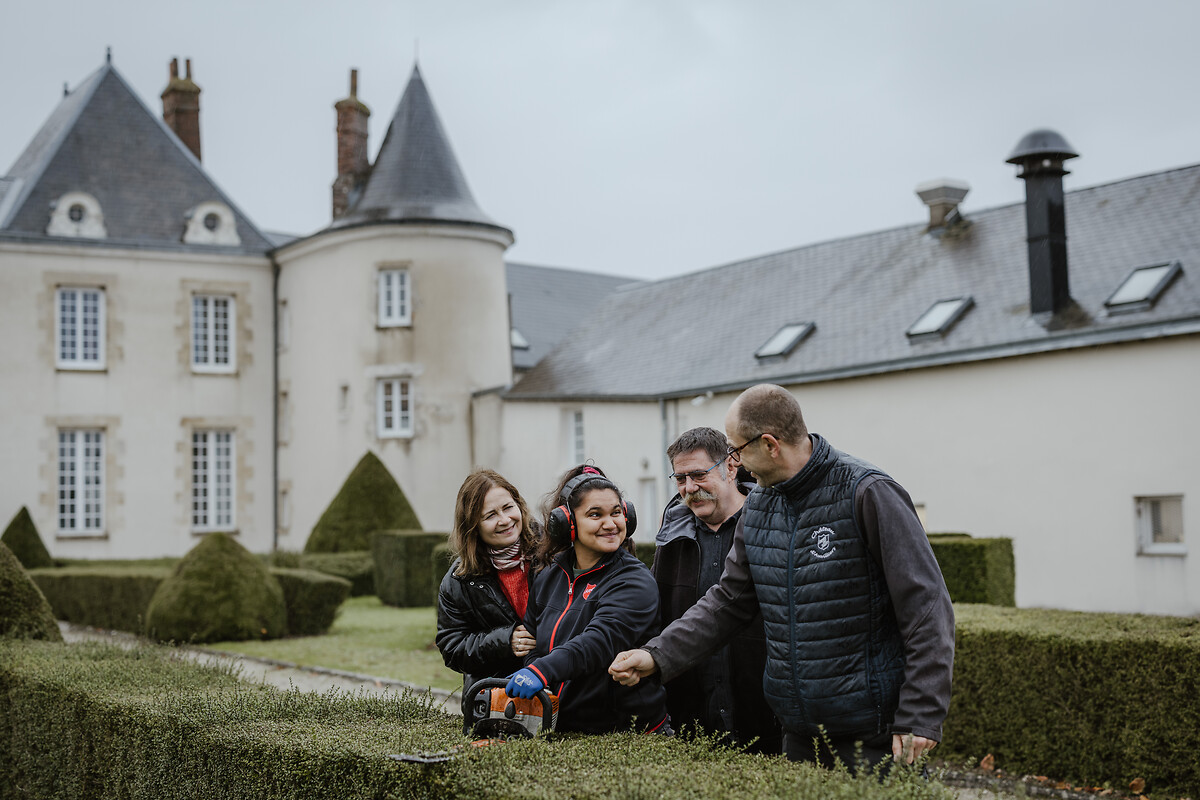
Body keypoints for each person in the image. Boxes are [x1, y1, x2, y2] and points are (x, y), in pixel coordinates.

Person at [610, 384, 954, 770]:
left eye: (738, 450)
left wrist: (921, 712)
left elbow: (926, 609)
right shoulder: (758, 506)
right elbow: (728, 602)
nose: (736, 461)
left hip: (873, 732)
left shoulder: (869, 493)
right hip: (797, 734)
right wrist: (656, 654)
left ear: (770, 444)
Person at [505, 465, 670, 735]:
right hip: (563, 728)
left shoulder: (634, 581)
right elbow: (532, 639)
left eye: (616, 513)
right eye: (596, 515)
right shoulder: (548, 575)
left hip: (623, 735)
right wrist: (536, 669)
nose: (610, 523)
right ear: (568, 524)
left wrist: (541, 672)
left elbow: (598, 641)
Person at [653, 427, 781, 753]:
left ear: (731, 466)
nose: (690, 488)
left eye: (698, 474)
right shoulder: (669, 541)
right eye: (680, 479)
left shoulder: (772, 527)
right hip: (691, 720)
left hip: (767, 718)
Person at [436, 469, 539, 713]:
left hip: (562, 692)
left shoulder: (553, 552)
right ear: (472, 526)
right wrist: (505, 642)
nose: (504, 520)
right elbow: (451, 647)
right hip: (498, 699)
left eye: (508, 507)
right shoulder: (458, 581)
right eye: (490, 515)